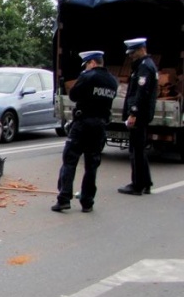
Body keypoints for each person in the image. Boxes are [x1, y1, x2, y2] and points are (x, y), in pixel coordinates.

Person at [51, 50, 119, 212]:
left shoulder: (88, 76)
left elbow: (73, 95)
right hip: (100, 126)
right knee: (92, 165)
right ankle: (88, 202)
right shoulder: (112, 81)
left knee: (70, 160)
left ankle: (64, 198)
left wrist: (83, 79)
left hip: (83, 124)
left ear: (92, 62)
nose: (86, 67)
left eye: (86, 64)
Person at [117, 37, 158, 196]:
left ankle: (137, 185)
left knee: (136, 150)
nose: (131, 56)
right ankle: (145, 182)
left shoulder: (144, 67)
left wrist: (133, 113)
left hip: (139, 114)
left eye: (133, 53)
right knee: (139, 149)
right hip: (142, 113)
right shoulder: (146, 65)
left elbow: (141, 93)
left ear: (142, 50)